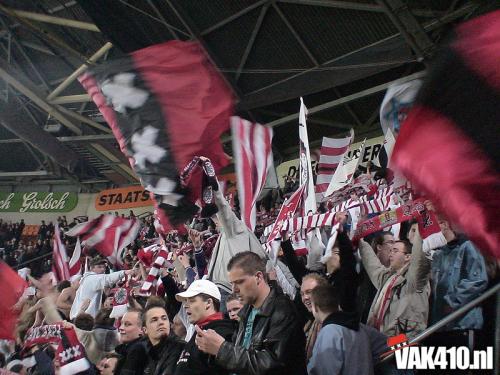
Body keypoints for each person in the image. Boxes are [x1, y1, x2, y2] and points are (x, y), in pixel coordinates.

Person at [195, 251, 307, 375]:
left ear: (258, 277)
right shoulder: (246, 313)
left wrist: (222, 349)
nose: (234, 289)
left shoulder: (283, 310)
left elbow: (271, 366)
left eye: (239, 282)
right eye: (232, 283)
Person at [427, 218, 488, 347]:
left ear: (444, 224)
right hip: (441, 324)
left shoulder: (469, 246)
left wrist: (451, 302)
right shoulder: (439, 254)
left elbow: (477, 280)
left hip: (464, 324)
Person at [359, 233, 431, 338]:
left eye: (395, 251)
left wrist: (420, 232)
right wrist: (360, 242)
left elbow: (420, 261)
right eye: (391, 250)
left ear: (408, 257)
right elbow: (372, 264)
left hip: (404, 341)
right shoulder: (388, 277)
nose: (390, 254)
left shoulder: (415, 279)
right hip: (381, 337)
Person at [307, 284, 386, 375]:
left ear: (316, 308)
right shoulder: (360, 327)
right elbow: (390, 342)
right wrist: (404, 337)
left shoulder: (328, 333)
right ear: (337, 304)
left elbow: (325, 371)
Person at [174, 279, 237, 375]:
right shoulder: (200, 330)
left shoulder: (222, 332)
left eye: (192, 300)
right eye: (186, 301)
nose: (185, 306)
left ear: (208, 303)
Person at [143, 302, 185, 375]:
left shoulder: (181, 348)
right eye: (154, 320)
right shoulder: (144, 354)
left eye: (164, 318)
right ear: (145, 330)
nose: (161, 322)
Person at [300, 273, 328, 362]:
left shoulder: (332, 322)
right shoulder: (312, 322)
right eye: (302, 294)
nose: (305, 298)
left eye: (309, 292)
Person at [114, 309, 148, 375]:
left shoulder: (138, 350)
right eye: (121, 323)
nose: (121, 327)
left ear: (142, 329)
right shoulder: (127, 349)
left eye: (127, 324)